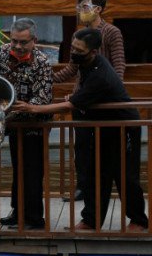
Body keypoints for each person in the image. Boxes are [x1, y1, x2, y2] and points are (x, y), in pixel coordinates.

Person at [14, 28, 149, 232]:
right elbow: (80, 93)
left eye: (79, 50)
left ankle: (138, 220)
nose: (74, 53)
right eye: (73, 48)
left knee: (125, 175)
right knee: (93, 174)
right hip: (99, 128)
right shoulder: (83, 64)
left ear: (94, 51)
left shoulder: (101, 73)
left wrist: (33, 108)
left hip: (123, 128)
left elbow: (69, 106)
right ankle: (91, 220)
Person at [0, 18, 52, 230]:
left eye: (23, 42)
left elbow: (43, 98)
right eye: (14, 41)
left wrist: (22, 107)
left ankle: (34, 218)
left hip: (34, 124)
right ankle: (18, 213)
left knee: (32, 171)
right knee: (18, 169)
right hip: (12, 122)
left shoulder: (42, 62)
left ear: (33, 40)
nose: (17, 46)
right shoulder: (2, 52)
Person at [54, 0, 126, 203]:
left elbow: (119, 65)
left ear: (98, 9)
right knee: (82, 146)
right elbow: (71, 68)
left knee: (108, 147)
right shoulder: (80, 34)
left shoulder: (112, 32)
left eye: (84, 7)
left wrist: (114, 93)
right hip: (82, 99)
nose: (80, 11)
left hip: (105, 99)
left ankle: (107, 188)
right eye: (79, 7)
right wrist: (46, 78)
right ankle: (83, 187)